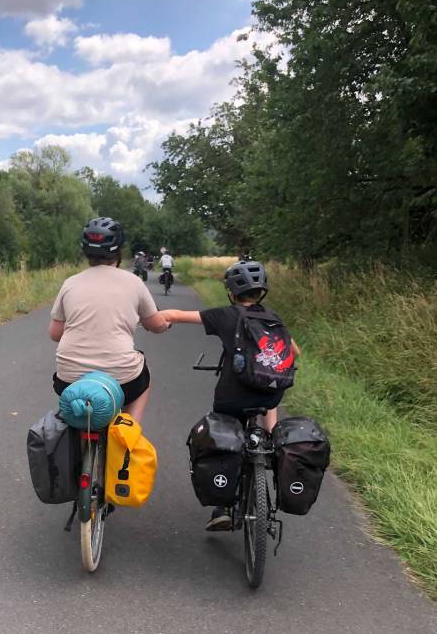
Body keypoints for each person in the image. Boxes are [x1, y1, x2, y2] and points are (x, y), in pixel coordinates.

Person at [161, 258, 300, 531]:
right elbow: (295, 352)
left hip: (232, 397)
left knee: (225, 435)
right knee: (268, 394)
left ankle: (222, 508)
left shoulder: (225, 315)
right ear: (261, 291)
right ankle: (270, 442)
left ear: (231, 292)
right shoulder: (273, 318)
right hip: (269, 397)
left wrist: (157, 319)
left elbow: (177, 315)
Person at [49, 217, 170, 424]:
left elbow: (55, 334)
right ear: (119, 251)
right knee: (144, 372)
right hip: (123, 379)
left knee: (75, 403)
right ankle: (129, 429)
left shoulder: (70, 283)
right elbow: (156, 325)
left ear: (85, 251)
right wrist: (165, 323)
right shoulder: (134, 282)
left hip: (69, 380)